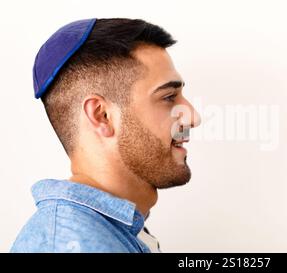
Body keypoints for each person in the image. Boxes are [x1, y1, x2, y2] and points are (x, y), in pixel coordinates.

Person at [10, 18, 201, 253]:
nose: (192, 117)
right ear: (102, 116)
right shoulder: (68, 246)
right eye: (169, 97)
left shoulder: (111, 233)